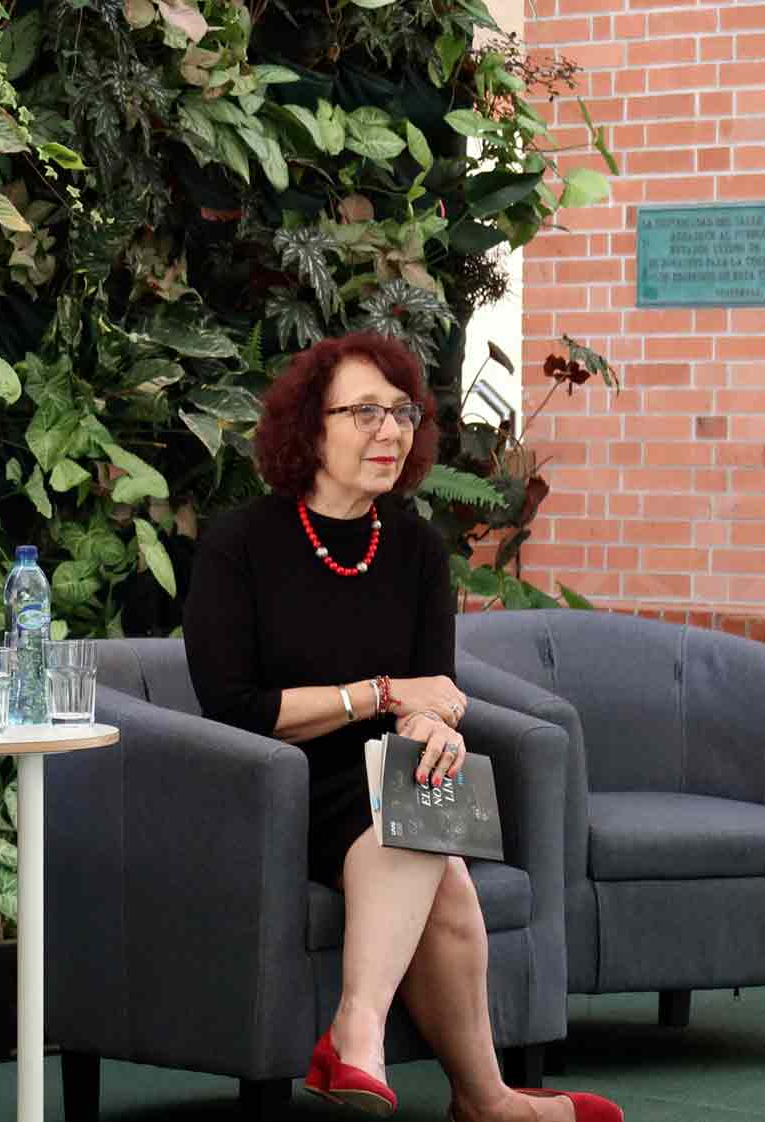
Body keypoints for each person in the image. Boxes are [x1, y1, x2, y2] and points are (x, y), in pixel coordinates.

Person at [183, 332, 621, 1122]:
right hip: (273, 785)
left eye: (402, 413)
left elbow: (433, 687)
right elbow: (235, 708)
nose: (389, 431)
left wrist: (432, 724)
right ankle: (432, 1069)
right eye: (364, 413)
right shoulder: (239, 544)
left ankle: (403, 1063)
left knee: (431, 831)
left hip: (384, 780)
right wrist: (383, 696)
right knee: (425, 830)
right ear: (310, 428)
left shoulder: (414, 547)